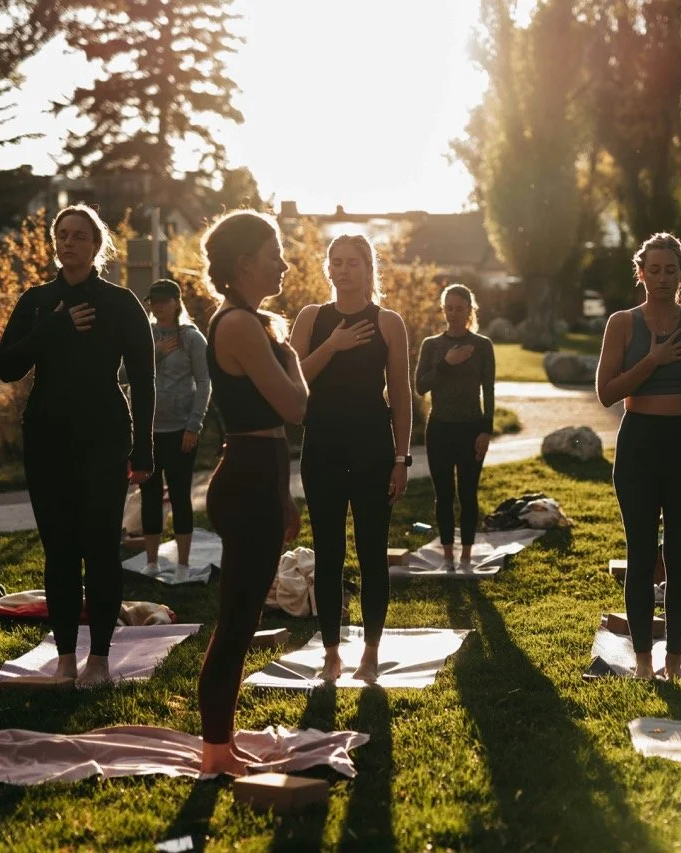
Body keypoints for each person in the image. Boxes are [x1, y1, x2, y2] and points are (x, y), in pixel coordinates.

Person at [0, 204, 154, 686]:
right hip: (47, 438)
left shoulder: (122, 302)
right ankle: (65, 659)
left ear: (96, 244)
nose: (68, 243)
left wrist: (144, 449)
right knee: (59, 549)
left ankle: (99, 660)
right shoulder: (38, 301)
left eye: (79, 236)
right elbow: (6, 367)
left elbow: (145, 381)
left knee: (101, 547)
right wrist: (54, 328)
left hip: (104, 436)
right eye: (61, 235)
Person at [196, 210, 307, 776]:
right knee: (237, 620)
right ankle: (216, 750)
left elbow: (276, 429)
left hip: (259, 478)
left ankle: (223, 739)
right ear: (243, 264)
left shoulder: (254, 321)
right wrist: (297, 357)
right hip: (243, 482)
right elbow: (294, 408)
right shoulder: (239, 324)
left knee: (241, 618)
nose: (283, 264)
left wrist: (284, 495)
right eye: (273, 255)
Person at [596, 232, 681, 680]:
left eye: (672, 270)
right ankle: (643, 662)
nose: (663, 278)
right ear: (641, 273)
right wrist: (654, 360)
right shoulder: (622, 323)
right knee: (640, 553)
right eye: (655, 269)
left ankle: (674, 660)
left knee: (680, 556)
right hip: (639, 444)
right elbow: (606, 392)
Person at [290, 234, 412, 684]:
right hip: (320, 448)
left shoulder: (388, 323)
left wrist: (402, 459)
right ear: (329, 269)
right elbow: (291, 380)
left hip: (371, 451)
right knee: (328, 554)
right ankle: (330, 653)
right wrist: (333, 346)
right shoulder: (311, 318)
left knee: (372, 553)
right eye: (336, 262)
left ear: (368, 269)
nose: (343, 270)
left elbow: (400, 395)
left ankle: (372, 651)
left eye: (353, 263)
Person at [414, 284, 496, 569]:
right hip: (439, 430)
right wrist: (448, 363)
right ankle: (448, 555)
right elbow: (420, 386)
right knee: (444, 495)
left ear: (470, 310)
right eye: (449, 308)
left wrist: (487, 430)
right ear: (443, 309)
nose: (453, 314)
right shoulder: (432, 345)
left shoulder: (483, 346)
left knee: (468, 494)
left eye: (459, 308)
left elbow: (489, 390)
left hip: (472, 429)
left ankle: (467, 555)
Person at [138, 279, 210, 570]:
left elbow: (204, 382)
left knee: (180, 495)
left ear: (176, 303)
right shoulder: (144, 335)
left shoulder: (192, 338)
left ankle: (182, 564)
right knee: (150, 497)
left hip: (181, 431)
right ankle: (152, 562)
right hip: (149, 432)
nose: (157, 307)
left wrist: (194, 425)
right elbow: (123, 375)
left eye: (164, 301)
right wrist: (156, 353)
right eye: (153, 302)